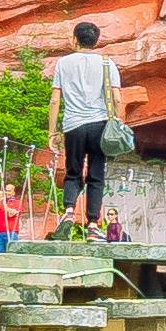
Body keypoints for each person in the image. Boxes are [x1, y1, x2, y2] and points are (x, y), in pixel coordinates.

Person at [47, 14, 124, 228]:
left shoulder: (63, 63)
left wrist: (52, 132)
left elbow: (55, 100)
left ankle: (69, 211)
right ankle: (92, 223)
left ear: (75, 39)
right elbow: (117, 98)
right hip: (100, 125)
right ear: (96, 41)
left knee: (73, 171)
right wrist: (117, 123)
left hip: (73, 126)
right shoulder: (107, 64)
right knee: (96, 174)